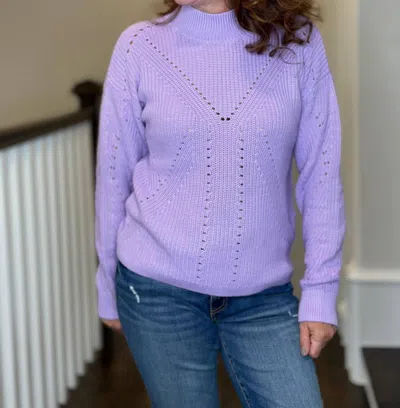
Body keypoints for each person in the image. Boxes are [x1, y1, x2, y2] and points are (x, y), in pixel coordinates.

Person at [95, 0, 345, 406]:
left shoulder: (299, 43)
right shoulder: (138, 46)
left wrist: (321, 289)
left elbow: (322, 175)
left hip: (263, 295)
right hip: (156, 292)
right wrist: (107, 284)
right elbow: (113, 176)